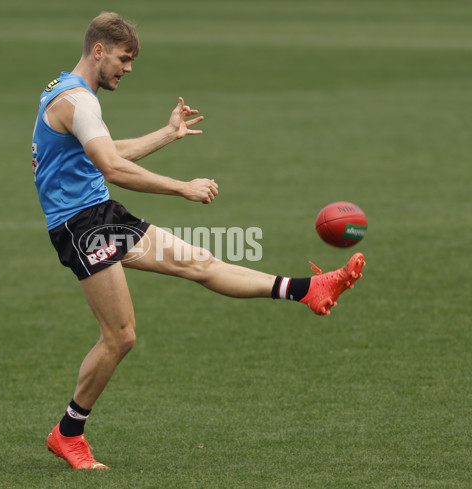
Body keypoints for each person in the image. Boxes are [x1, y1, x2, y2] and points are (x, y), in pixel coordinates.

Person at [31, 12, 365, 470]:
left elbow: (103, 152)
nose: (127, 69)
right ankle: (67, 434)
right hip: (82, 226)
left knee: (201, 262)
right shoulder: (78, 102)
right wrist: (182, 186)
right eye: (124, 59)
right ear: (99, 51)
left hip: (99, 214)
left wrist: (167, 134)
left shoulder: (71, 93)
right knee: (120, 335)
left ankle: (309, 290)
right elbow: (111, 166)